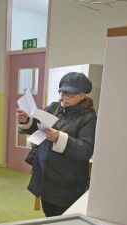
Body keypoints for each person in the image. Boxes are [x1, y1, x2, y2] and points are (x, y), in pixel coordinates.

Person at [16, 72, 96, 217]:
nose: (64, 97)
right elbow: (38, 127)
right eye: (62, 92)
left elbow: (86, 149)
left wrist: (59, 137)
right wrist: (26, 120)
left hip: (68, 181)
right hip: (47, 177)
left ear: (83, 95)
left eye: (70, 94)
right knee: (49, 216)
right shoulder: (54, 107)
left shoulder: (88, 117)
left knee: (64, 220)